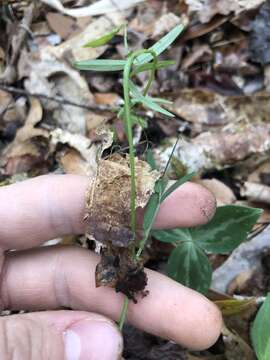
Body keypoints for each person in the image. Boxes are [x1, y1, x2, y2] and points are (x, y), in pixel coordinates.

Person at [0, 174, 222, 359]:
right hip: (121, 274)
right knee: (111, 269)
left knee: (122, 271)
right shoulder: (109, 263)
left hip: (127, 275)